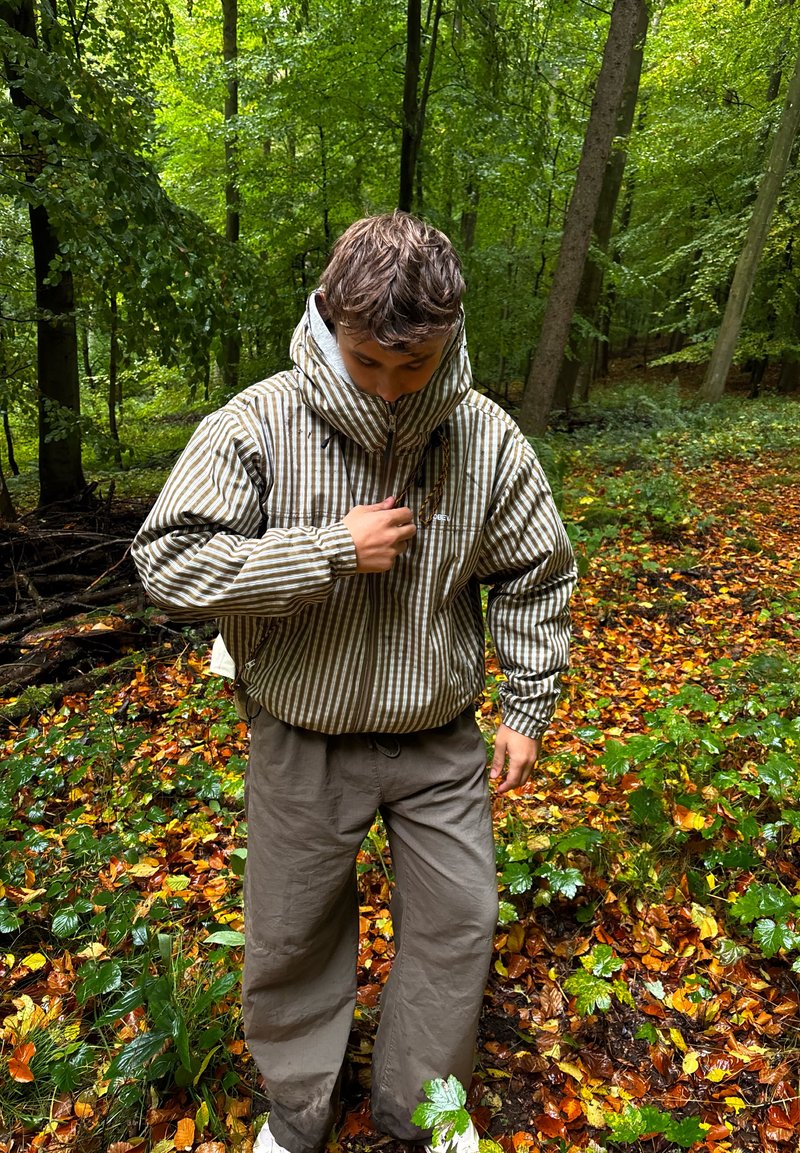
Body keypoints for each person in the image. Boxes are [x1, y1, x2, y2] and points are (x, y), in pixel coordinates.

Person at [132, 212, 576, 1153]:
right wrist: (329, 550)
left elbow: (538, 570)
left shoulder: (486, 438)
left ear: (448, 339)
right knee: (291, 936)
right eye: (367, 362)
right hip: (303, 737)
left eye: (412, 370)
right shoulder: (257, 422)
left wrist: (528, 707)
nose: (387, 390)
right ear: (330, 321)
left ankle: (426, 1112)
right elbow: (169, 562)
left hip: (439, 740)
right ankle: (297, 1115)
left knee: (460, 924)